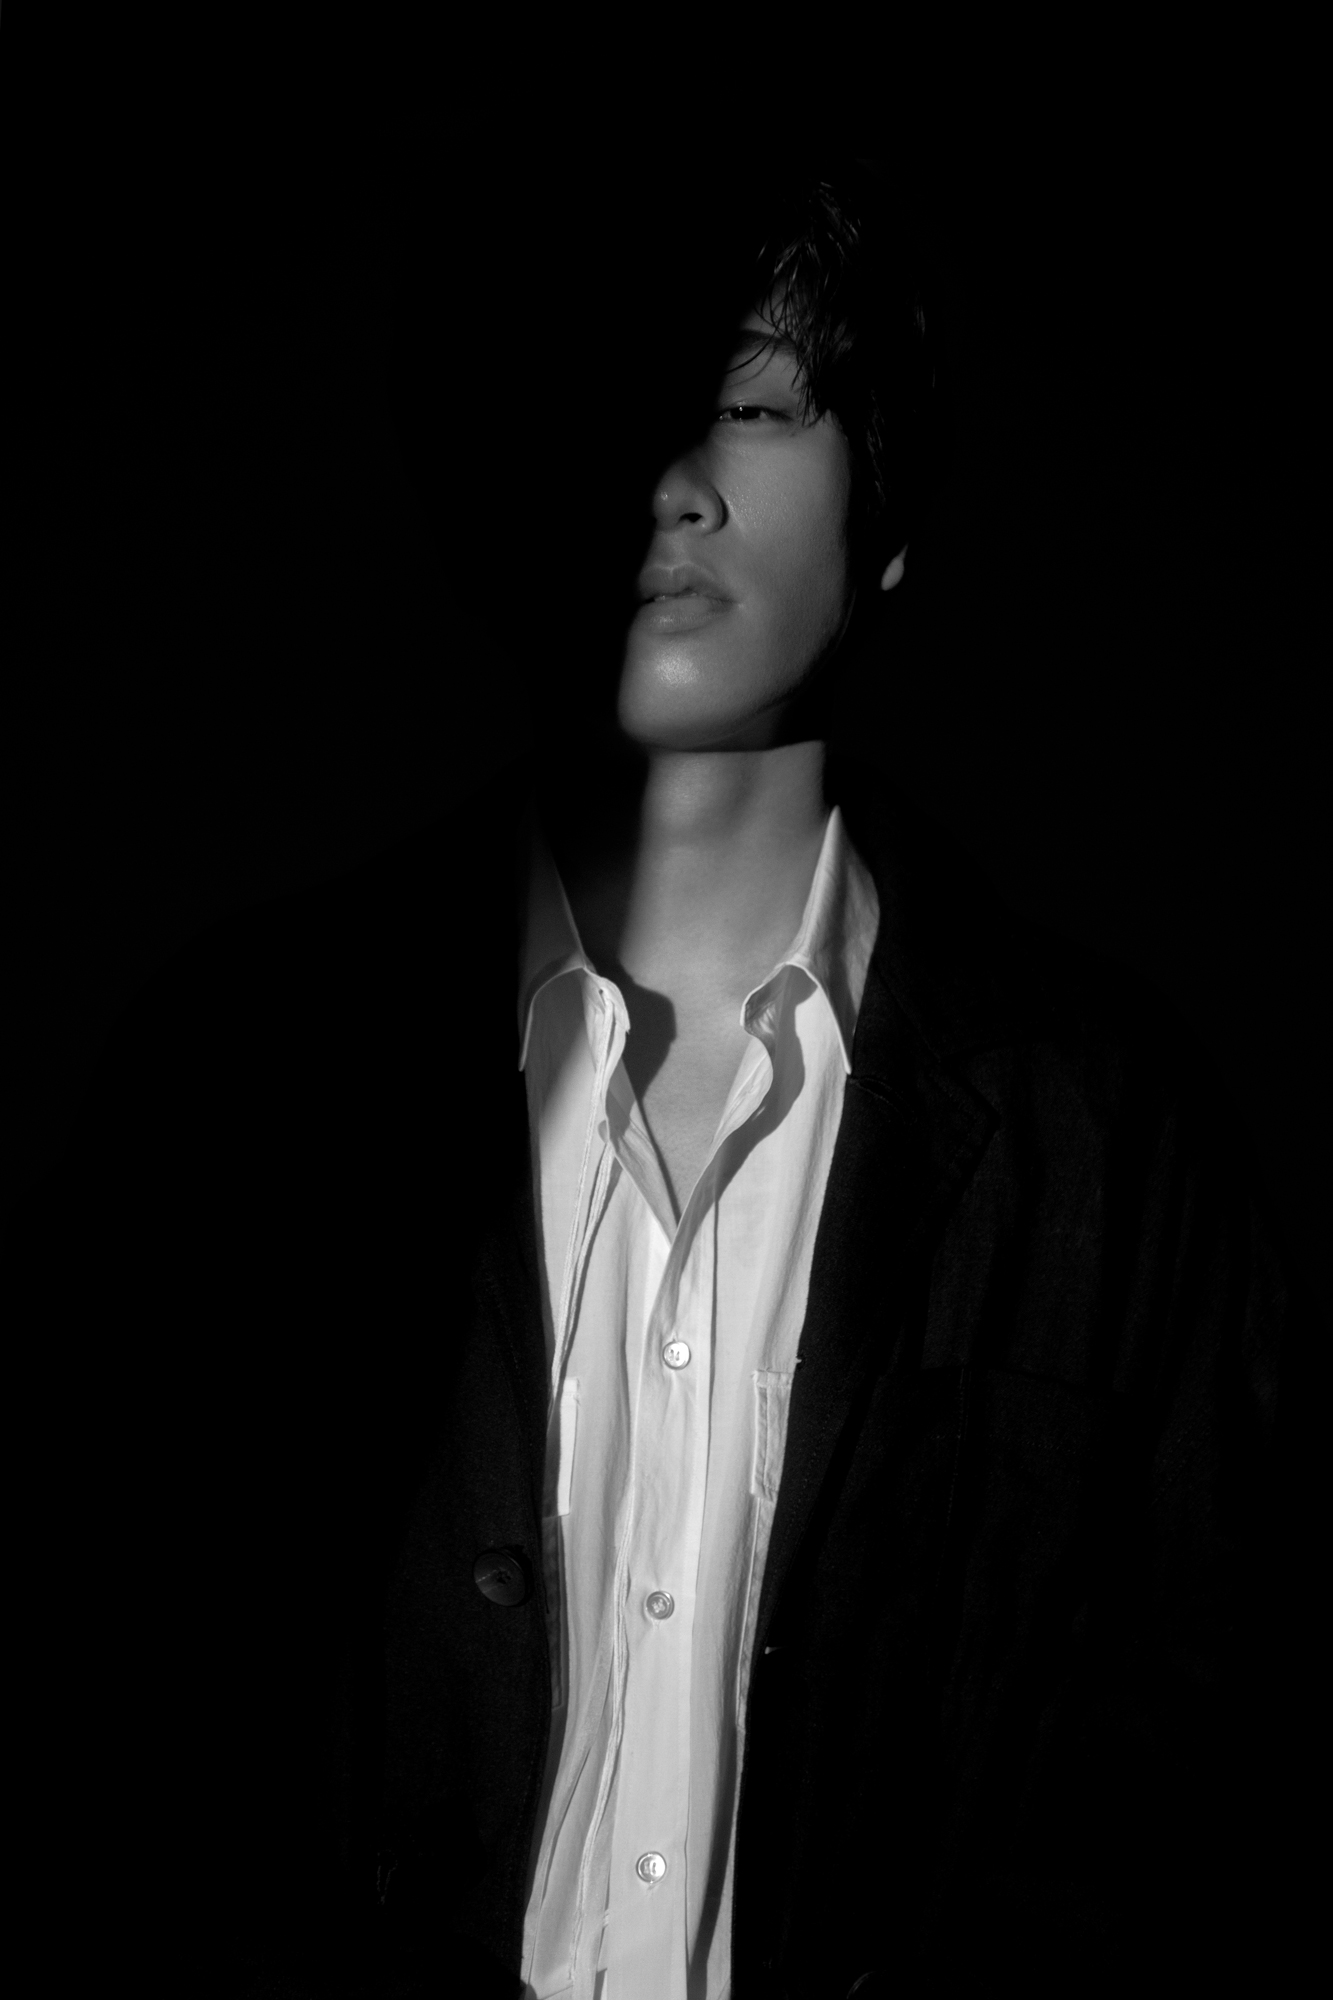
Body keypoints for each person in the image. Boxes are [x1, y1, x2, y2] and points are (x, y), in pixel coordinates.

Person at [9, 150, 1296, 1998]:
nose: (669, 483)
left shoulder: (1113, 1145)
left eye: (754, 408)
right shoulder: (241, 1082)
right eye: (605, 405)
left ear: (888, 510)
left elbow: (1200, 1770)